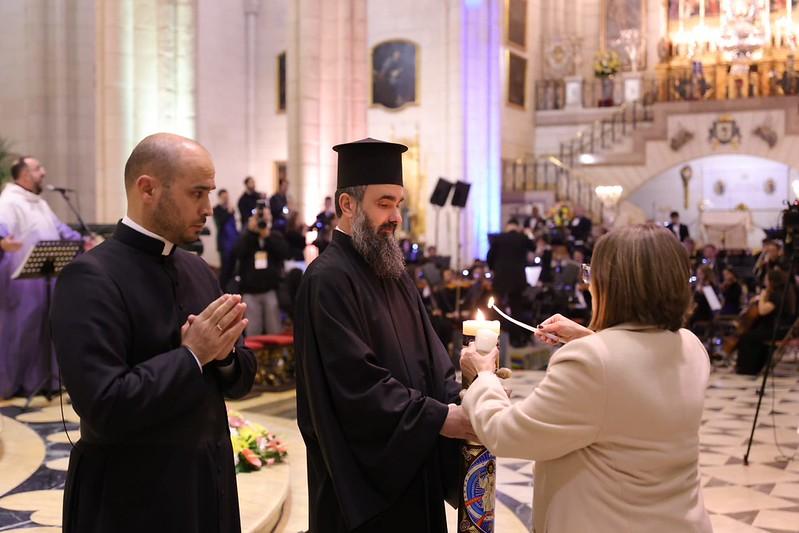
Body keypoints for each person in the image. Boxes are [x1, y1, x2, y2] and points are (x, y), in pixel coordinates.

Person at [50, 133, 257, 532]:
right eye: (197, 193)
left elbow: (240, 377)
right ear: (147, 189)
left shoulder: (196, 269)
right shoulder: (90, 278)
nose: (208, 209)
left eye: (209, 193)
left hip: (206, 485)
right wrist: (191, 356)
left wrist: (226, 355)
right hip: (131, 498)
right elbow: (105, 406)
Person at [461, 223, 712, 533]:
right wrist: (591, 337)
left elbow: (507, 434)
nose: (588, 284)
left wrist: (484, 376)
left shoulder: (592, 361)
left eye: (592, 275)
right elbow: (634, 370)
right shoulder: (690, 346)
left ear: (613, 286)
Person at [294, 138, 475, 532]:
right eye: (384, 203)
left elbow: (432, 359)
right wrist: (441, 418)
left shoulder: (394, 271)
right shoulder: (327, 280)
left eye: (399, 204)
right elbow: (356, 387)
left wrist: (466, 396)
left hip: (413, 465)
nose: (395, 216)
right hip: (362, 487)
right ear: (348, 205)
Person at [0, 155, 83, 399]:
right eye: (38, 169)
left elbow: (61, 230)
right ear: (24, 175)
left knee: (47, 331)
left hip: (47, 278)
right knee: (22, 332)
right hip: (20, 283)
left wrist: (83, 241)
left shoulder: (40, 203)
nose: (44, 172)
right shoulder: (8, 200)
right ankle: (14, 384)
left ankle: (47, 381)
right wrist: (3, 242)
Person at [236, 209, 290, 335]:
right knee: (252, 333)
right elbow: (238, 253)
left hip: (270, 290)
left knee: (274, 331)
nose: (262, 220)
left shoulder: (274, 235)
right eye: (260, 216)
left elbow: (284, 252)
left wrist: (267, 236)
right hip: (250, 292)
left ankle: (275, 356)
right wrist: (250, 232)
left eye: (265, 216)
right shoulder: (247, 236)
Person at [736, 268, 796, 375]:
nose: (765, 281)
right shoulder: (783, 293)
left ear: (772, 281)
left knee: (747, 337)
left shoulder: (777, 296)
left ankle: (748, 369)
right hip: (778, 329)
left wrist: (762, 296)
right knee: (752, 334)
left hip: (776, 331)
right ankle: (754, 366)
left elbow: (762, 311)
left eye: (766, 279)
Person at [486, 218, 535, 346]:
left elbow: (489, 257)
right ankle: (516, 339)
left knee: (495, 307)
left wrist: (493, 269)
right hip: (517, 279)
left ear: (507, 226)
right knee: (516, 309)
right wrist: (527, 233)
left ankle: (492, 339)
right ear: (517, 226)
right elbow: (533, 247)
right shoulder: (522, 237)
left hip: (501, 278)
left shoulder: (499, 238)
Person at [212, 188, 239, 291]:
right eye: (224, 197)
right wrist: (228, 212)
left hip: (233, 243)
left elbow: (234, 226)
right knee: (225, 269)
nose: (226, 199)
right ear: (219, 198)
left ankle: (231, 289)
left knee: (233, 268)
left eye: (227, 197)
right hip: (224, 244)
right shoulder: (216, 209)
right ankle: (221, 289)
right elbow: (220, 223)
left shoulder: (231, 209)